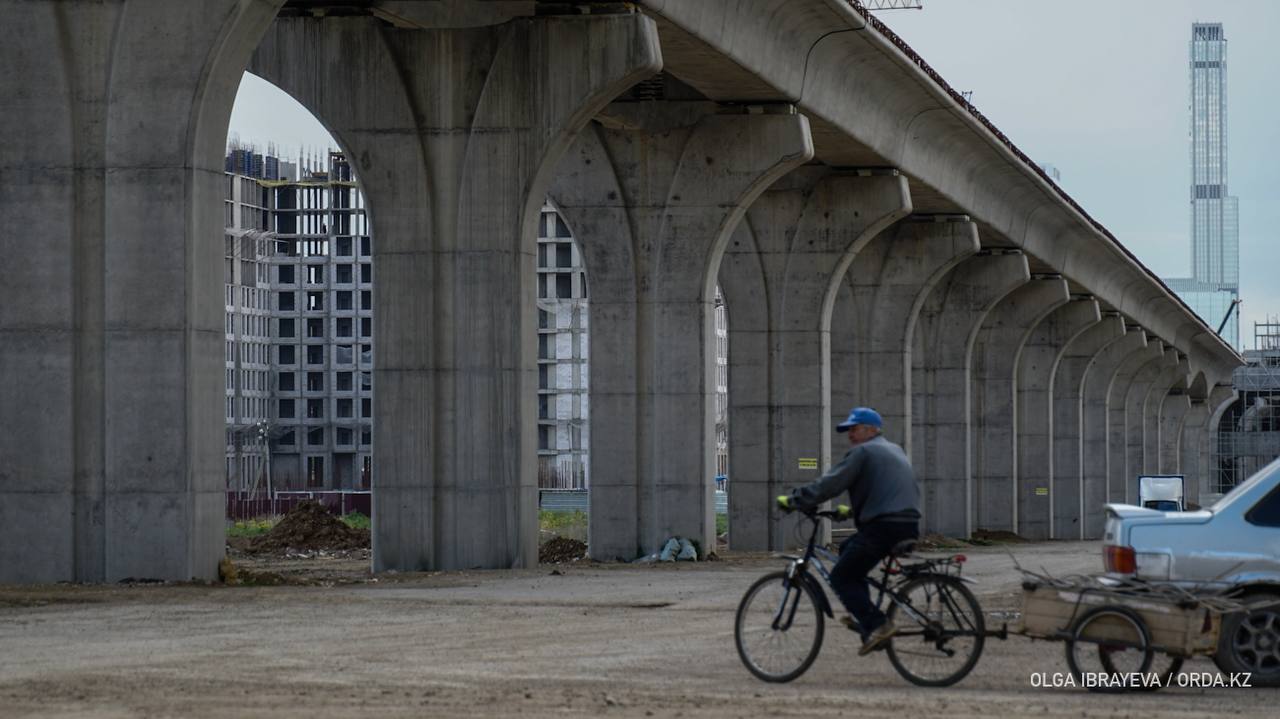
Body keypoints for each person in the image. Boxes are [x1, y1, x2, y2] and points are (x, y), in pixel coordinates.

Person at [780, 406, 921, 656]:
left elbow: (831, 484)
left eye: (854, 429)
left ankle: (877, 623)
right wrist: (849, 512)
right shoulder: (894, 449)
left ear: (870, 430)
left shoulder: (863, 452)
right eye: (849, 431)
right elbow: (884, 490)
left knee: (841, 577)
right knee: (848, 551)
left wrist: (797, 499)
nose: (850, 436)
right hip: (907, 523)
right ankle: (865, 617)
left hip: (883, 526)